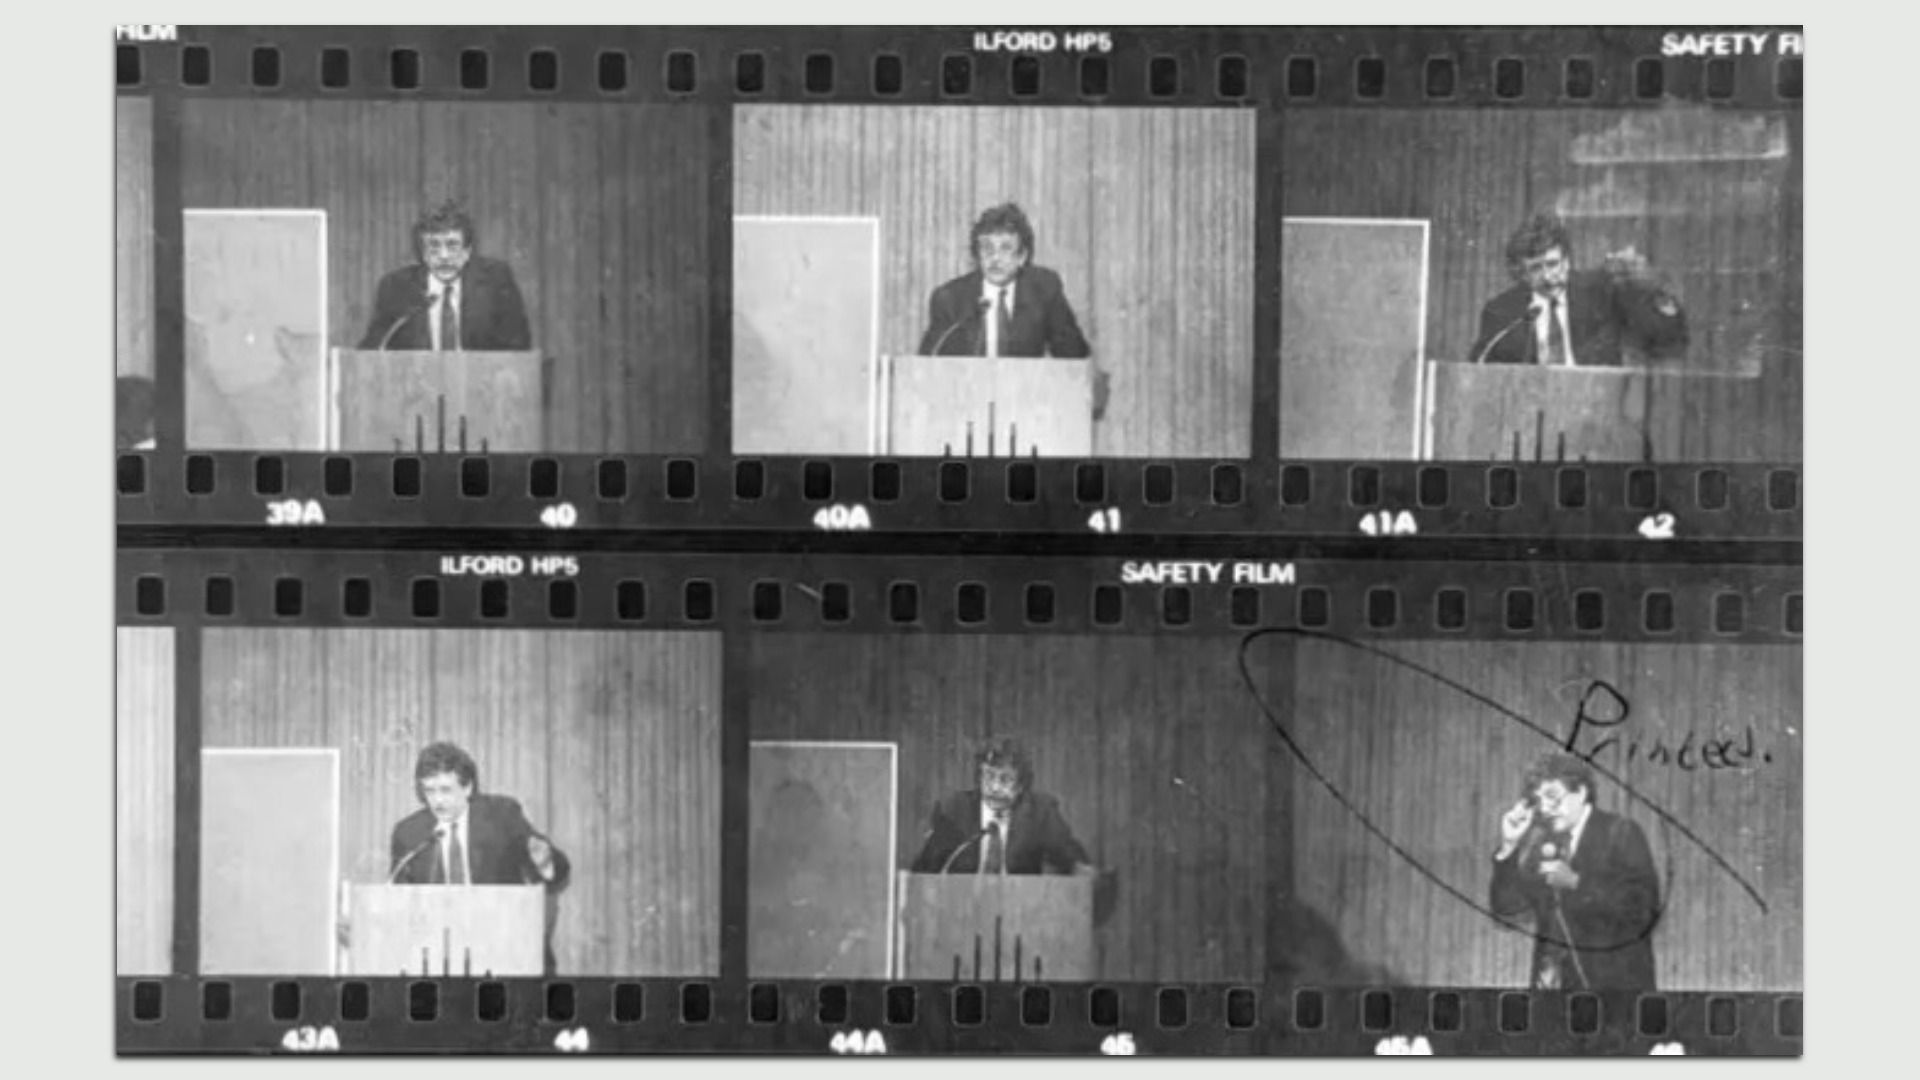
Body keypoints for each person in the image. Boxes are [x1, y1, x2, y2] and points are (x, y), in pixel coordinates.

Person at [388, 741, 571, 973]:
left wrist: (545, 863)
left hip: (505, 952)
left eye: (445, 790)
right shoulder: (409, 834)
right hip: (440, 961)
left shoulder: (501, 817)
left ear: (467, 787)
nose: (437, 801)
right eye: (429, 791)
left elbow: (557, 871)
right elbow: (397, 899)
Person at [1489, 752, 1661, 991]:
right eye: (1539, 800)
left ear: (1580, 792)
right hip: (1553, 995)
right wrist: (1509, 846)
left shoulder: (1621, 833)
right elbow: (1506, 908)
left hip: (1613, 994)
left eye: (1553, 797)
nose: (1546, 808)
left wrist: (1576, 883)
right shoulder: (1540, 843)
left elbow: (1642, 908)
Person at [1468, 214, 1688, 367]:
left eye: (1552, 264)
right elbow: (1480, 368)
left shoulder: (1600, 292)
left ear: (1567, 261)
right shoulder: (1503, 312)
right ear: (1522, 274)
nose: (1547, 276)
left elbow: (1666, 338)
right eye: (1535, 268)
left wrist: (1653, 288)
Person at [918, 203, 1092, 361]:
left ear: (1022, 256)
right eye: (987, 248)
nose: (995, 259)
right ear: (977, 255)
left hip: (1025, 392)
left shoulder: (1043, 290)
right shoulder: (950, 298)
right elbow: (928, 362)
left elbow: (1075, 356)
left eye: (1005, 248)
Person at [360, 201, 532, 352]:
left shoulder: (495, 282)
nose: (443, 255)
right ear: (423, 253)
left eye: (452, 245)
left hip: (479, 384)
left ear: (467, 251)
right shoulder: (396, 288)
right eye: (434, 246)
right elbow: (374, 348)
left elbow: (518, 348)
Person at [910, 738, 1096, 876]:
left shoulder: (1040, 813)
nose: (995, 787)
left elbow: (1074, 863)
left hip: (1021, 916)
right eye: (989, 776)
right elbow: (924, 871)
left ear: (1021, 785)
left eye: (1005, 779)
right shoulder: (954, 810)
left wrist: (1079, 870)